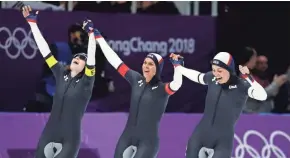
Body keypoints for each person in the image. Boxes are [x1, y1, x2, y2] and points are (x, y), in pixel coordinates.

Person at [82, 20, 183, 158]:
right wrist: (98, 36)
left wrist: (178, 68)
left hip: (148, 141)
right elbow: (114, 59)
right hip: (127, 136)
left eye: (151, 64)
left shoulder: (162, 89)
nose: (146, 66)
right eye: (145, 63)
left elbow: (176, 84)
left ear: (157, 69)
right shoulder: (136, 79)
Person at [22, 6, 96, 158]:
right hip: (50, 130)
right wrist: (32, 24)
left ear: (85, 68)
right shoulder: (61, 72)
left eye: (82, 59)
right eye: (76, 57)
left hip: (70, 136)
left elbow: (92, 57)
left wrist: (91, 35)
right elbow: (44, 50)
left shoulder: (86, 84)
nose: (78, 58)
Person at [171, 52, 267, 158]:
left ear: (229, 70)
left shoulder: (241, 86)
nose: (216, 74)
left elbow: (262, 96)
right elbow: (197, 76)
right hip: (199, 136)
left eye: (220, 71)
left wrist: (249, 78)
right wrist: (178, 66)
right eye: (214, 70)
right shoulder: (212, 78)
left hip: (222, 142)